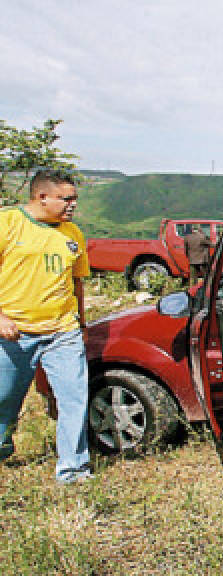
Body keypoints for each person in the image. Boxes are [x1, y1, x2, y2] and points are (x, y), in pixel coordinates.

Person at [0, 169, 92, 483]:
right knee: (4, 400)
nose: (73, 205)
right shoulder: (8, 223)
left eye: (75, 199)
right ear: (42, 197)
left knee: (74, 398)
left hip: (62, 332)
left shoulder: (73, 234)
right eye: (66, 199)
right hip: (13, 333)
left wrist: (81, 323)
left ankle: (74, 470)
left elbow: (77, 283)